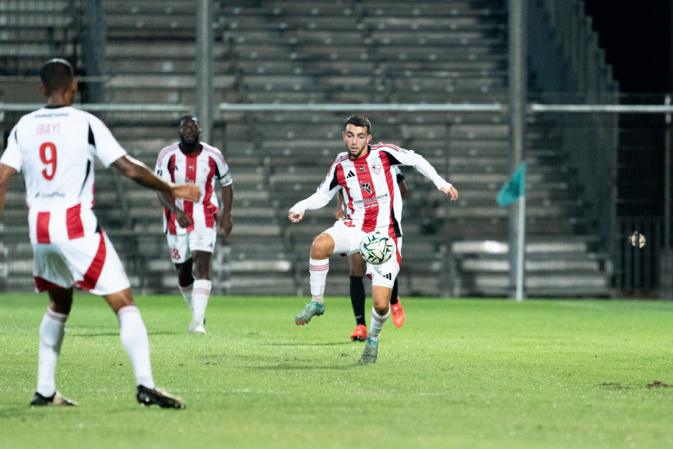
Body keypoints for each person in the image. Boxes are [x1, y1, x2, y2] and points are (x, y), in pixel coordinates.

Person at [0, 58, 198, 408]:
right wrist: (173, 188)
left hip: (40, 228)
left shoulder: (23, 126)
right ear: (74, 86)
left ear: (42, 89)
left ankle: (45, 391)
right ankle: (146, 385)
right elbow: (128, 168)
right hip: (74, 223)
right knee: (124, 303)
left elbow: (2, 176)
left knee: (59, 303)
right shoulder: (85, 123)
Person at [288, 115, 458, 364]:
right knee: (319, 245)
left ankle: (373, 340)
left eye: (359, 136)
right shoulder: (340, 164)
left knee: (380, 305)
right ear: (343, 136)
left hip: (386, 234)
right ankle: (317, 302)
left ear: (368, 138)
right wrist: (300, 206)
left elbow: (416, 159)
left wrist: (440, 183)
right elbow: (322, 195)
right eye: (349, 135)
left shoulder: (385, 154)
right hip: (354, 226)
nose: (354, 141)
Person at [155, 115, 233, 334]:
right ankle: (197, 312)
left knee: (203, 264)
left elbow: (227, 184)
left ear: (199, 130)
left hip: (204, 215)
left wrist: (227, 215)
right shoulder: (167, 155)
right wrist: (176, 211)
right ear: (179, 131)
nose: (188, 130)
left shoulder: (213, 155)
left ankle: (198, 323)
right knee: (183, 272)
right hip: (175, 219)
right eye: (184, 127)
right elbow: (160, 188)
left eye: (192, 126)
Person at [336, 165, 408, 342]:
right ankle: (360, 325)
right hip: (356, 222)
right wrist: (341, 208)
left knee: (383, 262)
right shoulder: (344, 165)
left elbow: (403, 190)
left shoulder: (384, 162)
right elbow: (341, 190)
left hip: (381, 224)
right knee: (355, 269)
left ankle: (394, 300)